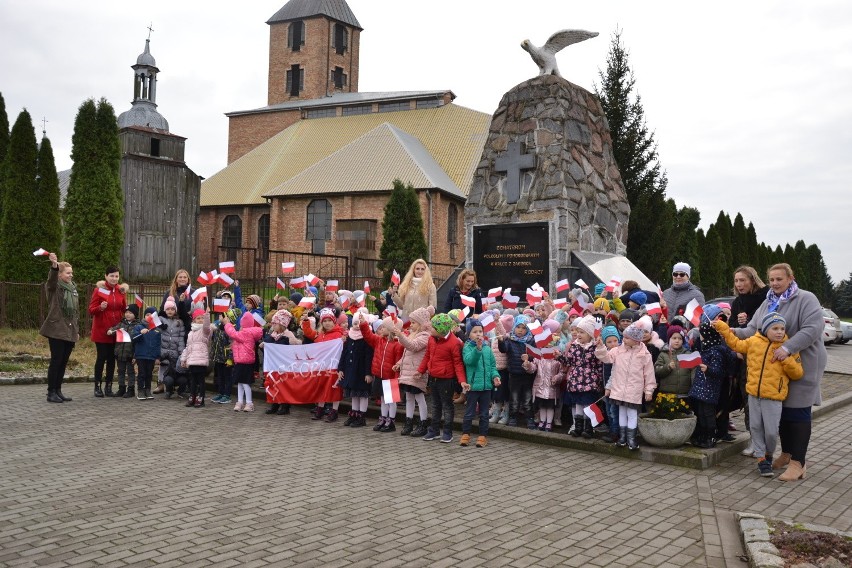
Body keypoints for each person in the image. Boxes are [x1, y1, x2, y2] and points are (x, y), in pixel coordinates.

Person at [729, 263, 826, 481]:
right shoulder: (768, 302)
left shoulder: (805, 298)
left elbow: (813, 329)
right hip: (777, 368)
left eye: (779, 279)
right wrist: (732, 331)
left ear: (790, 278)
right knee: (783, 411)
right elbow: (753, 330)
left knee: (798, 412)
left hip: (803, 363)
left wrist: (787, 348)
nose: (774, 283)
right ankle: (787, 454)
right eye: (771, 280)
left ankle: (798, 463)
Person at [715, 313, 804, 477]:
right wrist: (724, 329)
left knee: (771, 431)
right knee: (755, 427)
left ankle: (769, 454)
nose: (779, 332)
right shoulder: (754, 341)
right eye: (775, 328)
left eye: (782, 328)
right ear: (765, 328)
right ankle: (761, 459)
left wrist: (785, 358)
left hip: (774, 398)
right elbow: (736, 344)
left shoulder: (787, 346)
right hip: (753, 395)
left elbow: (797, 373)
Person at [595, 322, 657, 450]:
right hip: (618, 388)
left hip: (634, 390)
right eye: (624, 336)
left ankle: (632, 439)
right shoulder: (617, 351)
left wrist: (649, 390)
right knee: (622, 412)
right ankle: (622, 438)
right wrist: (601, 347)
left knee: (632, 413)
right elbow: (606, 358)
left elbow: (649, 374)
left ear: (635, 340)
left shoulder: (644, 355)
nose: (624, 339)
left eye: (627, 337)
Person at [730, 265, 769, 456]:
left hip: (764, 356)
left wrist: (750, 319)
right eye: (736, 281)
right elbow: (733, 327)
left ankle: (765, 441)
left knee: (762, 398)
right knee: (747, 397)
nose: (739, 284)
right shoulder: (737, 302)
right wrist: (736, 345)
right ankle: (753, 439)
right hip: (744, 356)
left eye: (742, 280)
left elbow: (770, 324)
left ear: (752, 280)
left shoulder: (765, 297)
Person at [416, 313, 466, 443]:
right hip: (433, 377)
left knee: (447, 406)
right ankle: (434, 430)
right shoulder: (432, 339)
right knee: (435, 405)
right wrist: (420, 371)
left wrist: (462, 381)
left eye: (433, 327)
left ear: (441, 330)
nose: (430, 329)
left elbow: (458, 363)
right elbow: (427, 356)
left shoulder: (454, 343)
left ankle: (448, 432)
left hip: (446, 380)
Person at [40, 252, 79, 403]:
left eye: (71, 273)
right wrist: (54, 265)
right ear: (60, 274)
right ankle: (51, 392)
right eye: (68, 273)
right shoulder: (54, 288)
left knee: (63, 361)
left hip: (70, 331)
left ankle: (58, 390)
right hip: (56, 330)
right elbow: (51, 280)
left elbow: (76, 313)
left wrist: (76, 331)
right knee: (56, 360)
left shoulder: (72, 289)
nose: (71, 275)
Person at [688, 321, 730, 448]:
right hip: (701, 387)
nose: (700, 337)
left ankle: (711, 436)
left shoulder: (716, 352)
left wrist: (708, 369)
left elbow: (719, 371)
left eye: (701, 334)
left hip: (709, 388)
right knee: (700, 411)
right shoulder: (705, 349)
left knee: (708, 413)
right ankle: (703, 435)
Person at [392, 306, 433, 437]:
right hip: (408, 371)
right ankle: (408, 421)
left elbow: (413, 346)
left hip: (416, 372)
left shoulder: (425, 336)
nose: (411, 324)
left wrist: (401, 336)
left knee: (419, 397)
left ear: (421, 323)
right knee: (409, 397)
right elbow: (407, 353)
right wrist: (399, 364)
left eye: (414, 322)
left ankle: (423, 423)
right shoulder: (413, 334)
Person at [459, 320, 501, 447]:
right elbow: (469, 361)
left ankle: (483, 436)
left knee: (484, 413)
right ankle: (466, 434)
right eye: (475, 332)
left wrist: (495, 377)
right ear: (468, 333)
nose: (478, 334)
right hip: (472, 386)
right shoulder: (467, 347)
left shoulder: (487, 349)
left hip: (486, 387)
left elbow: (493, 366)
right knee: (469, 412)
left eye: (480, 331)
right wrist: (477, 349)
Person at [562, 315, 605, 439]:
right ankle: (578, 427)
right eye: (578, 331)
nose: (578, 334)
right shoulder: (574, 346)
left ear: (590, 334)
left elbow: (599, 364)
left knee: (588, 404)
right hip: (575, 380)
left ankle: (589, 428)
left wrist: (599, 380)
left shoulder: (595, 347)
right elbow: (569, 361)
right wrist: (559, 357)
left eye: (582, 332)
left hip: (590, 380)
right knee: (578, 404)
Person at [88, 265, 128, 397]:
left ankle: (109, 387)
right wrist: (100, 307)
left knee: (112, 359)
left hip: (115, 330)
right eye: (111, 276)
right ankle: (97, 386)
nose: (114, 278)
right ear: (106, 276)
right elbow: (91, 310)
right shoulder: (99, 290)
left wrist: (127, 311)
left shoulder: (121, 291)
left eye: (116, 276)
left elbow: (124, 309)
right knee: (101, 358)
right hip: (101, 330)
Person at [359, 315, 403, 432]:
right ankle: (383, 418)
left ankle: (391, 420)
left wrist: (396, 378)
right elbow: (368, 336)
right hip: (379, 375)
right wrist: (363, 324)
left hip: (391, 376)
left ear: (391, 329)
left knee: (391, 400)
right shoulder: (379, 340)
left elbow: (398, 363)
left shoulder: (398, 345)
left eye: (384, 327)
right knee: (383, 399)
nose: (381, 329)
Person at [301, 308, 346, 421]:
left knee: (335, 388)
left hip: (334, 367)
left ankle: (334, 411)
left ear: (334, 321)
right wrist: (306, 321)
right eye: (324, 321)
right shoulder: (320, 335)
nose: (327, 323)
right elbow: (309, 333)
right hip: (322, 367)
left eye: (329, 320)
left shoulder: (339, 334)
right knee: (321, 387)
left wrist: (345, 338)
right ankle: (320, 409)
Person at [337, 310, 376, 428]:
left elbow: (369, 356)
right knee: (354, 394)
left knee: (362, 394)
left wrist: (369, 373)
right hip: (351, 369)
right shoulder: (350, 336)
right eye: (354, 323)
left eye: (359, 323)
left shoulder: (367, 338)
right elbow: (344, 353)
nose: (356, 326)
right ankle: (354, 413)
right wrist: (341, 368)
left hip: (362, 371)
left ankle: (361, 416)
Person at [497, 315, 537, 429]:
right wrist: (501, 341)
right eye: (518, 327)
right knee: (514, 398)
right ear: (514, 327)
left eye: (523, 328)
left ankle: (530, 418)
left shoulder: (530, 340)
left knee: (527, 399)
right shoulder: (510, 340)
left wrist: (528, 357)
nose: (520, 330)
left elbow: (535, 355)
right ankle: (513, 417)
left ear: (528, 329)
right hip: (514, 375)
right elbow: (503, 349)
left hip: (527, 375)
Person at [262, 309, 300, 416]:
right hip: (273, 367)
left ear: (282, 325)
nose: (273, 325)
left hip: (284, 367)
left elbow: (293, 349)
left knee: (284, 386)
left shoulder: (288, 336)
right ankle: (274, 403)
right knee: (274, 384)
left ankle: (285, 405)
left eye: (275, 323)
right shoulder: (272, 335)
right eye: (272, 323)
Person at [225, 312, 264, 412]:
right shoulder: (246, 333)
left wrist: (227, 324)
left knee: (246, 383)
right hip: (240, 361)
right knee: (240, 383)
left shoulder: (245, 333)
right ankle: (240, 401)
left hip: (245, 362)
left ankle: (249, 403)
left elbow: (232, 333)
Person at [105, 305, 141, 398]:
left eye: (130, 313)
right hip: (120, 352)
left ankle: (131, 389)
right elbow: (114, 329)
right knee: (120, 371)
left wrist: (135, 355)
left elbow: (139, 342)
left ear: (135, 314)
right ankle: (121, 388)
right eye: (126, 312)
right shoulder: (121, 323)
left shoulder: (138, 325)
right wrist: (110, 331)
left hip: (130, 353)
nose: (128, 314)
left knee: (130, 372)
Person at [180, 309, 213, 408]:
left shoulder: (205, 331)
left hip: (201, 361)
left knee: (201, 381)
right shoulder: (191, 333)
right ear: (193, 320)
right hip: (192, 361)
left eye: (202, 318)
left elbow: (207, 326)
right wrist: (183, 359)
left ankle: (201, 398)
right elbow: (187, 347)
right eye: (198, 318)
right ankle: (192, 396)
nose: (200, 320)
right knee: (193, 381)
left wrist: (206, 315)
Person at [159, 297, 186, 398]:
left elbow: (180, 339)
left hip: (175, 353)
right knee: (164, 372)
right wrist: (160, 326)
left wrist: (181, 353)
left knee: (176, 372)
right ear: (164, 310)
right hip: (163, 351)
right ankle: (165, 388)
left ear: (175, 310)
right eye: (168, 309)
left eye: (172, 309)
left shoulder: (179, 322)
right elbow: (149, 325)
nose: (170, 311)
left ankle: (179, 390)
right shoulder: (161, 320)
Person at [133, 307, 161, 400]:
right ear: (144, 316)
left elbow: (158, 345)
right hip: (141, 355)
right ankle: (140, 390)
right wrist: (141, 333)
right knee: (142, 373)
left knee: (149, 373)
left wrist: (158, 357)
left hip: (151, 356)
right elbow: (133, 339)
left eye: (152, 315)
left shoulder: (157, 330)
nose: (149, 317)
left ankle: (147, 390)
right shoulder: (138, 327)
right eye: (147, 315)